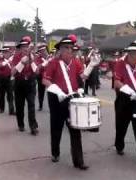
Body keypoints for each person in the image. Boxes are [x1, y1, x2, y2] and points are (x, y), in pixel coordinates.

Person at [42, 34, 100, 170]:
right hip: (57, 99)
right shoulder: (53, 63)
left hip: (72, 99)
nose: (69, 50)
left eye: (71, 47)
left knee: (75, 130)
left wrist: (91, 65)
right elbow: (45, 80)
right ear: (60, 50)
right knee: (56, 128)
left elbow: (82, 77)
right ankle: (55, 153)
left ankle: (79, 161)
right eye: (66, 48)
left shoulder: (76, 62)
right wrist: (58, 92)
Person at [11, 36, 39, 135]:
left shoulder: (32, 56)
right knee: (19, 106)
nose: (25, 48)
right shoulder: (16, 56)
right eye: (23, 46)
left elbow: (37, 71)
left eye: (27, 46)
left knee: (31, 105)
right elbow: (13, 72)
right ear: (20, 47)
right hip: (19, 83)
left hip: (30, 83)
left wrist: (31, 60)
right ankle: (21, 124)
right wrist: (22, 62)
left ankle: (33, 126)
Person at [0, 46, 15, 115]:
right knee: (1, 95)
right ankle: (2, 108)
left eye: (7, 52)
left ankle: (11, 110)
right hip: (1, 79)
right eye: (4, 52)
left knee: (10, 95)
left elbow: (14, 68)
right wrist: (7, 62)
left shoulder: (12, 59)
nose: (5, 54)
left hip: (9, 78)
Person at [34, 44, 49, 111]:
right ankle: (40, 105)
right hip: (41, 77)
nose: (43, 52)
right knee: (41, 92)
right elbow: (37, 67)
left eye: (44, 50)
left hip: (50, 77)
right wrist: (44, 64)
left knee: (51, 92)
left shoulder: (50, 57)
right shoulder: (38, 58)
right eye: (42, 51)